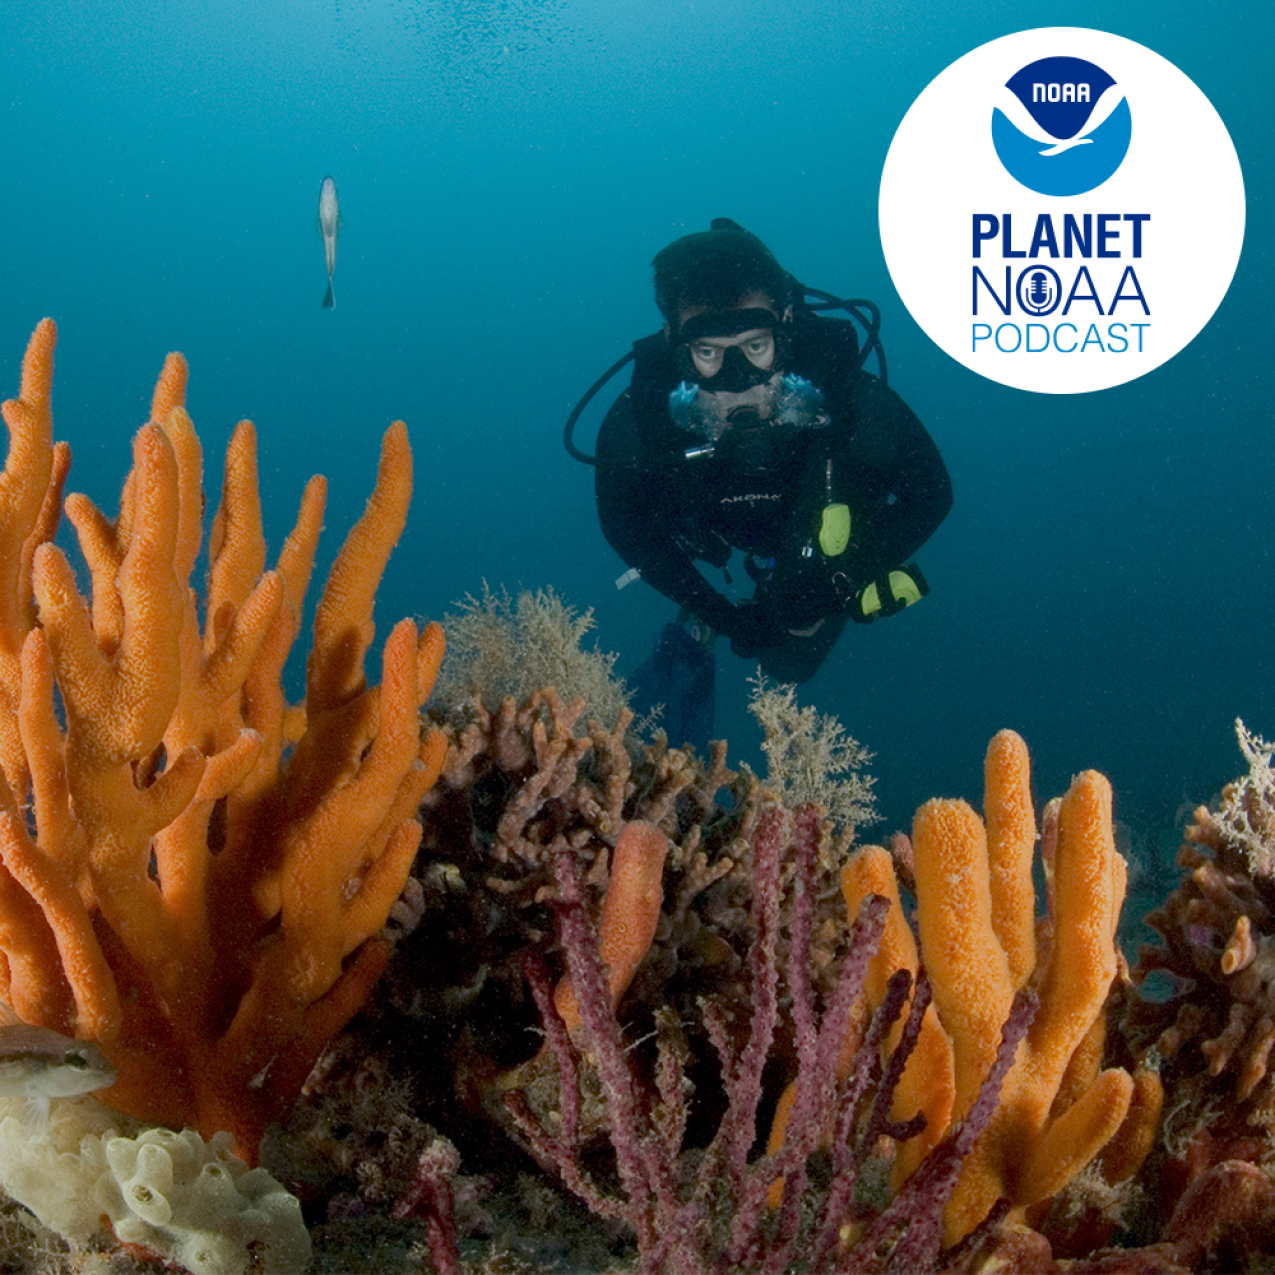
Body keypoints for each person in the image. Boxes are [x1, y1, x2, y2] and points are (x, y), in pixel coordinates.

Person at [594, 218, 952, 706]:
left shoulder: (845, 398)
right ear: (671, 338)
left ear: (786, 321)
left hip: (817, 540)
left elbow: (931, 493)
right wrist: (717, 611)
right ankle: (703, 623)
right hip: (708, 535)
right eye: (707, 353)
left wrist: (831, 586)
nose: (738, 380)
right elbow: (625, 527)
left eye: (756, 347)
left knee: (790, 665)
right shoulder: (643, 419)